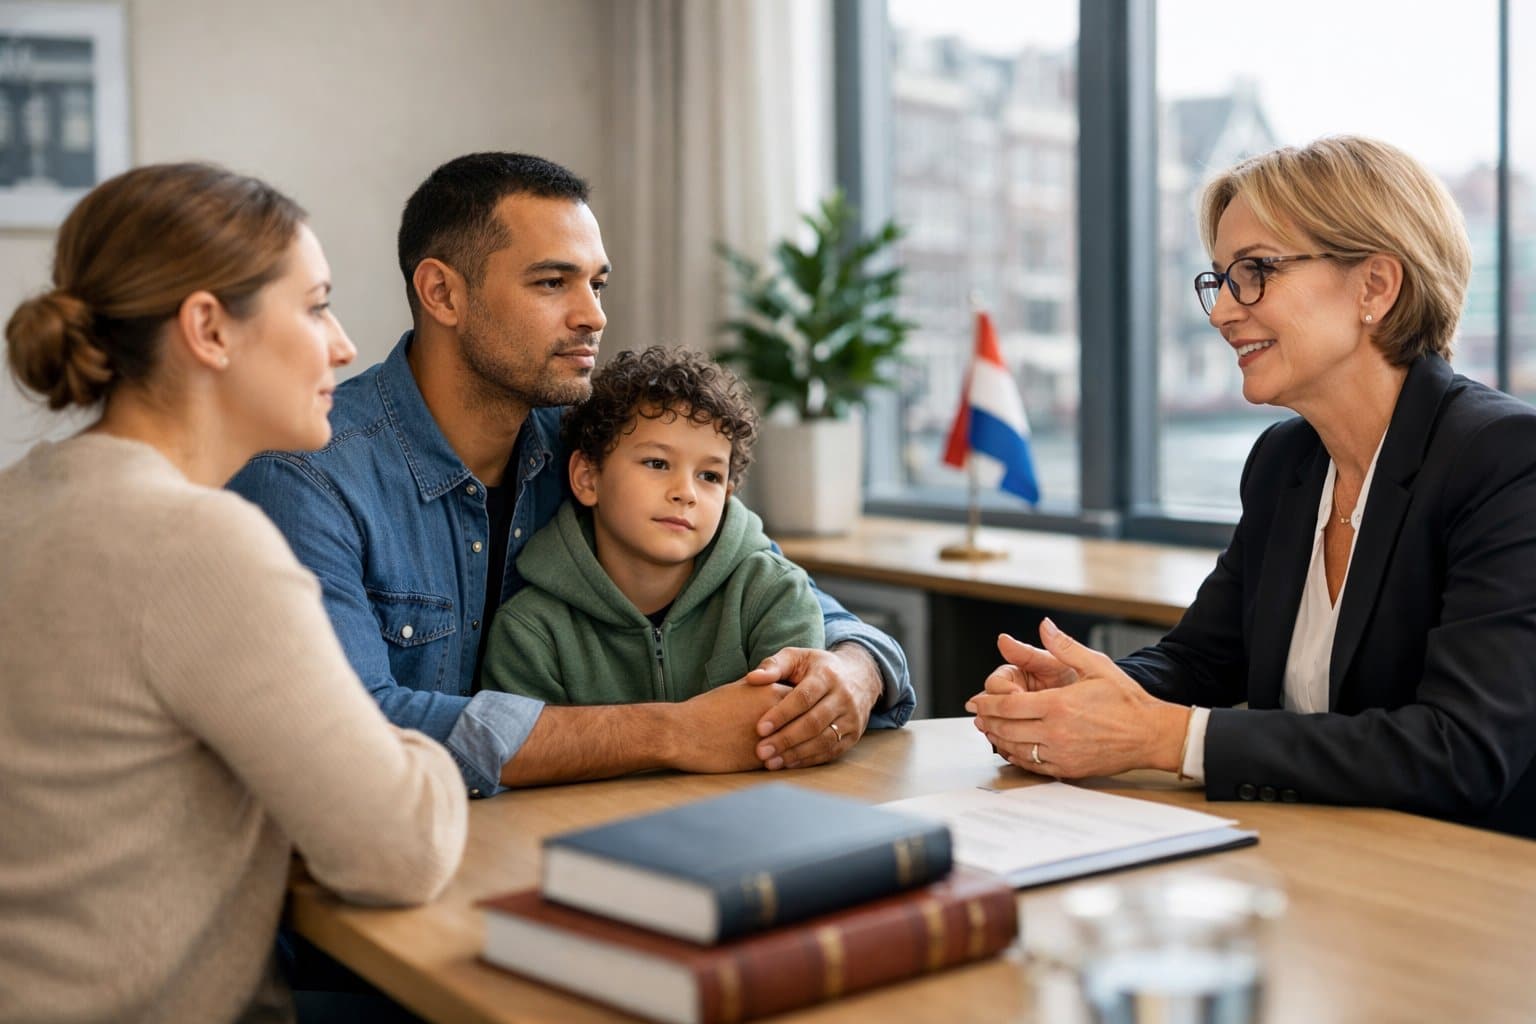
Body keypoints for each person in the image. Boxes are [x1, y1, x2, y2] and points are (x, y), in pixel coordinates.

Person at [230, 152, 913, 796]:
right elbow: (350, 728)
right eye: (552, 282)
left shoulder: (595, 448)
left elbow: (764, 578)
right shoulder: (306, 478)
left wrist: (853, 674)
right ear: (442, 292)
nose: (594, 316)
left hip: (560, 841)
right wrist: (670, 733)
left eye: (596, 283)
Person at [0, 163, 468, 1023]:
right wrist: (428, 750)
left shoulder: (18, 497)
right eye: (316, 304)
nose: (345, 345)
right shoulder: (198, 545)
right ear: (209, 330)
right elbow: (399, 848)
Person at [967, 135, 1536, 838]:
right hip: (1317, 864)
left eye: (1256, 271)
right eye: (1221, 280)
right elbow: (1203, 657)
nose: (1222, 311)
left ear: (1376, 287)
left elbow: (1462, 751)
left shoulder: (1505, 459)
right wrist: (1086, 695)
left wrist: (1168, 740)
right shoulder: (1285, 461)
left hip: (1467, 895)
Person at [482, 346, 823, 704]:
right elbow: (532, 755)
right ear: (587, 478)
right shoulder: (530, 632)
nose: (686, 493)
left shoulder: (774, 595)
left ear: (727, 495)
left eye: (709, 475)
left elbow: (794, 735)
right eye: (658, 463)